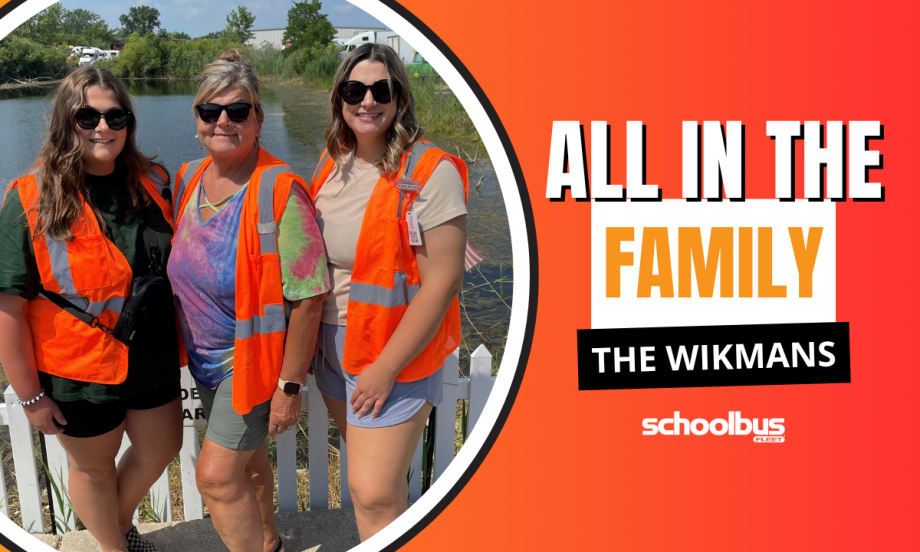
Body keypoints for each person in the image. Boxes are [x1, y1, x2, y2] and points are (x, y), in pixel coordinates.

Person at [0, 67, 181, 552]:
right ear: (66, 121)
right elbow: (8, 308)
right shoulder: (30, 198)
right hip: (78, 370)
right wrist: (31, 397)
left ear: (129, 123)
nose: (103, 127)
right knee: (94, 469)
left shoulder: (154, 181)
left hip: (152, 355)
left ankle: (115, 524)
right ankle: (114, 547)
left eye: (115, 116)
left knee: (163, 447)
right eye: (88, 117)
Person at [168, 50, 329, 552]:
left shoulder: (280, 190)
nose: (223, 122)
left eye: (237, 111)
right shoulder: (187, 178)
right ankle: (269, 544)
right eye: (210, 110)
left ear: (258, 118)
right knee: (251, 466)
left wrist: (289, 387)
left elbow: (309, 298)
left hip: (252, 366)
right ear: (196, 118)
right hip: (204, 362)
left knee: (216, 478)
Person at [307, 43, 469, 540]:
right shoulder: (332, 162)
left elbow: (443, 282)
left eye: (382, 90)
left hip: (390, 351)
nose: (368, 101)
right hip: (332, 345)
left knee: (373, 492)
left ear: (400, 97)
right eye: (355, 89)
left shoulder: (429, 171)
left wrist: (384, 369)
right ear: (339, 97)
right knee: (379, 484)